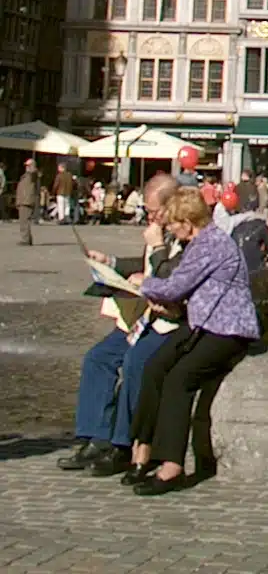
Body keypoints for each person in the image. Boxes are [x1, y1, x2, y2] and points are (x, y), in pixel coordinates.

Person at [129, 187, 260, 494]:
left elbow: (175, 286)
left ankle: (172, 466)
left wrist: (143, 283)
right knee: (155, 366)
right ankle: (142, 447)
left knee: (180, 379)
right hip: (202, 324)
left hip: (228, 330)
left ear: (188, 223)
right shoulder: (199, 243)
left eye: (173, 224)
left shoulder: (211, 244)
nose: (171, 230)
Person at [56, 174, 185, 476]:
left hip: (170, 321)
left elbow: (174, 278)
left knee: (134, 362)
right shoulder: (158, 232)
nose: (150, 217)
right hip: (143, 315)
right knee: (98, 358)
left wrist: (156, 251)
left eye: (154, 211)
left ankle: (122, 444)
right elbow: (146, 266)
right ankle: (95, 436)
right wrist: (111, 263)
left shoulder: (184, 234)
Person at [15, 158, 38, 245]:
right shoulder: (26, 175)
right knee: (23, 221)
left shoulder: (32, 175)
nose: (26, 167)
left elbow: (34, 173)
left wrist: (32, 166)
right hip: (23, 200)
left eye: (28, 165)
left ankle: (25, 239)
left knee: (24, 221)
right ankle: (28, 238)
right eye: (26, 165)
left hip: (26, 201)